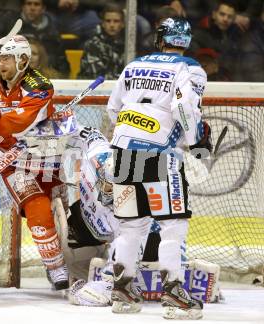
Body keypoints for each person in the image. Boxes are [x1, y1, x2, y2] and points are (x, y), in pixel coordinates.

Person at [107, 17, 211, 319]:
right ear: (186, 41)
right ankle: (174, 294)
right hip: (161, 156)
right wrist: (197, 143)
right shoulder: (190, 68)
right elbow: (185, 108)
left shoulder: (134, 65)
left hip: (123, 153)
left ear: (160, 37)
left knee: (131, 227)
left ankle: (123, 291)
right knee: (173, 225)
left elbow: (114, 108)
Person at [0, 35, 71, 290]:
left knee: (67, 216)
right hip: (13, 162)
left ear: (23, 60)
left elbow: (21, 122)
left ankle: (74, 254)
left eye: (6, 58)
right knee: (38, 212)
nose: (1, 64)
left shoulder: (39, 84)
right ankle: (55, 267)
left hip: (47, 155)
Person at [78, 3, 125, 79]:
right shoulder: (92, 45)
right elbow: (97, 77)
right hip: (92, 89)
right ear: (103, 23)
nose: (112, 25)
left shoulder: (128, 45)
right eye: (108, 21)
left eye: (116, 21)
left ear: (122, 24)